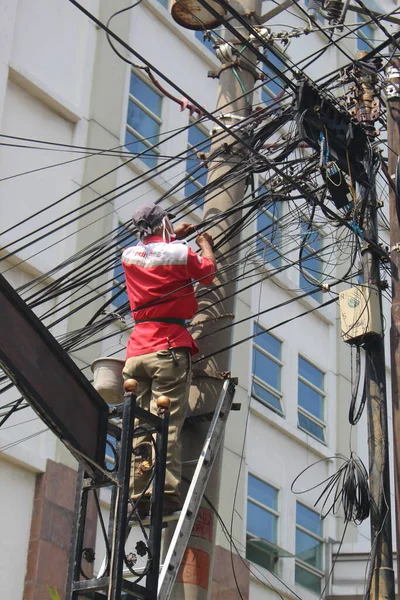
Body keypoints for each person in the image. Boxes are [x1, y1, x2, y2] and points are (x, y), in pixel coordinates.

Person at [121, 203, 216, 516]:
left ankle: (139, 494)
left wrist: (173, 235)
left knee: (139, 425)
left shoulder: (129, 256)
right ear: (163, 223)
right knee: (168, 423)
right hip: (168, 345)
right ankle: (166, 492)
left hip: (137, 352)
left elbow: (152, 250)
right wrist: (205, 246)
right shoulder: (181, 254)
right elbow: (207, 276)